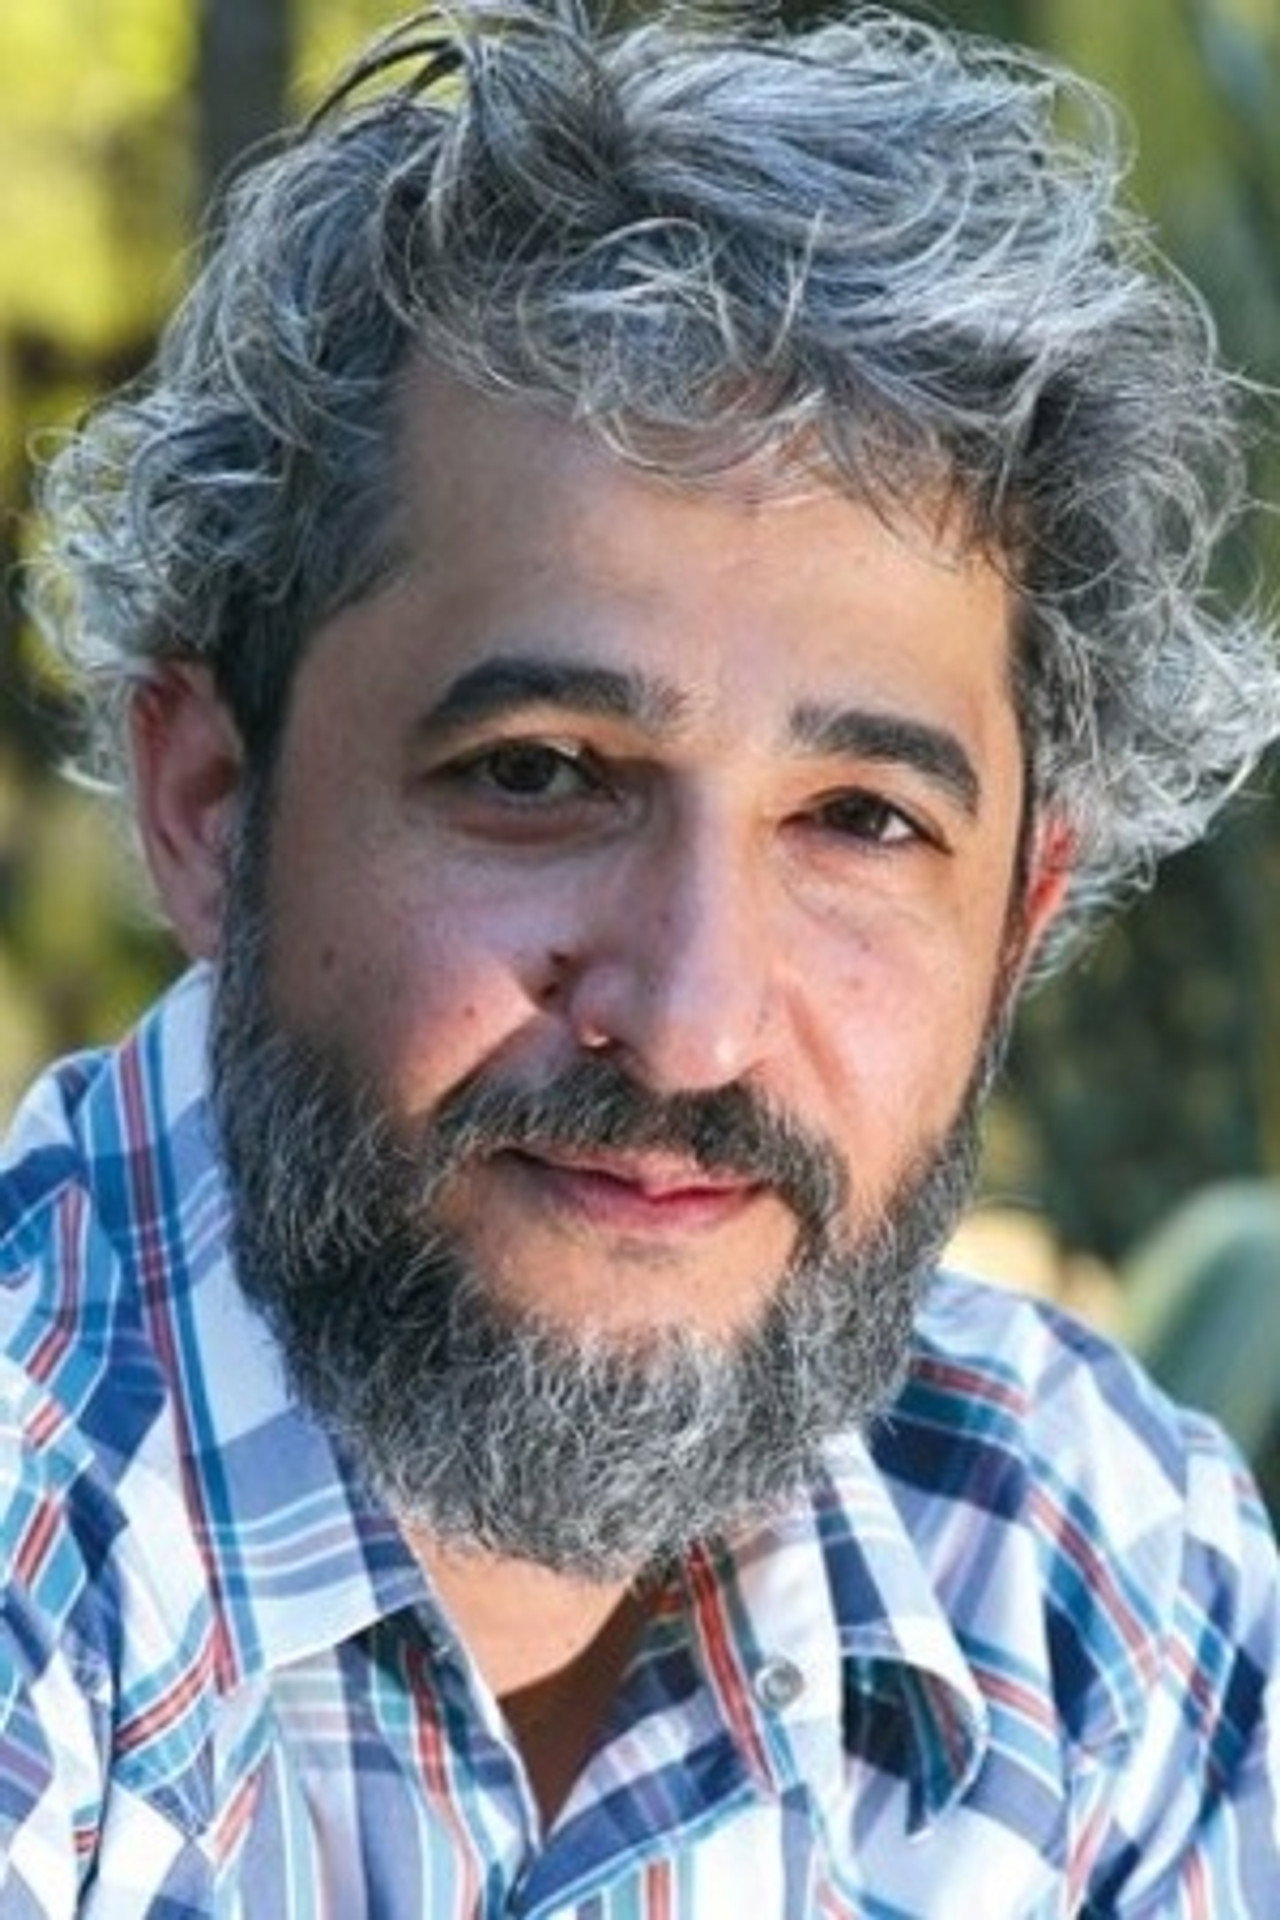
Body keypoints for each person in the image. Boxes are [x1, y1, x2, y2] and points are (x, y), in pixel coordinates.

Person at [3, 1, 1278, 1911]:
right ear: (209, 807)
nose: (690, 1024)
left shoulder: (1102, 1590)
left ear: (1021, 922)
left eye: (862, 822)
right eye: (537, 774)